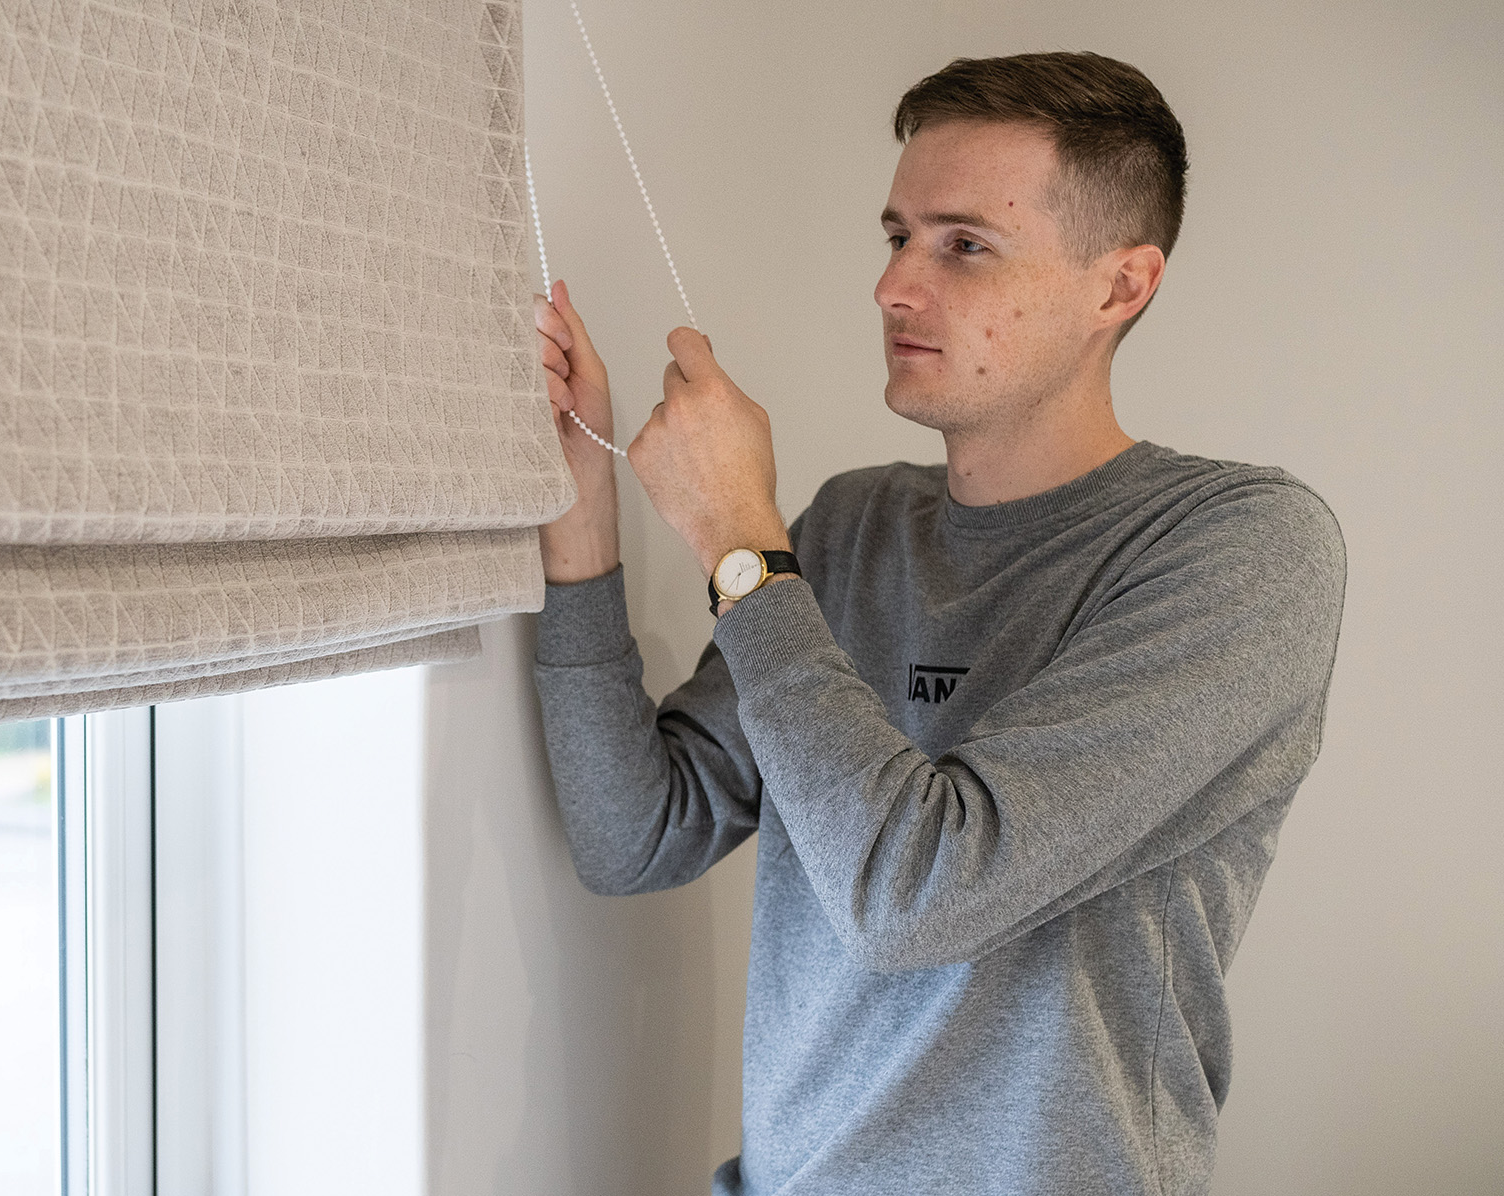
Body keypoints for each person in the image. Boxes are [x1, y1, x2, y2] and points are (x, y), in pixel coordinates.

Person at [530, 51, 1346, 1196]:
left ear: (1119, 286)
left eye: (962, 243)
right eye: (895, 236)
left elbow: (921, 892)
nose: (894, 286)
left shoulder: (1238, 549)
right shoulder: (853, 523)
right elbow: (636, 834)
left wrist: (738, 541)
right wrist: (581, 516)